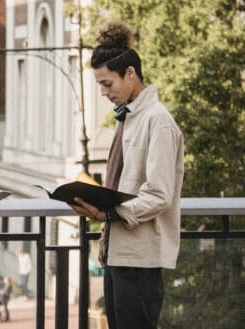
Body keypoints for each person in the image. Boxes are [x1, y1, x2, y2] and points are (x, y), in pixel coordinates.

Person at [68, 21, 184, 329]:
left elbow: (160, 195)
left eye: (107, 83)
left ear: (130, 73)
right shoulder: (130, 118)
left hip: (140, 262)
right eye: (100, 85)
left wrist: (109, 210)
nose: (104, 92)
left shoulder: (157, 121)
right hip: (119, 256)